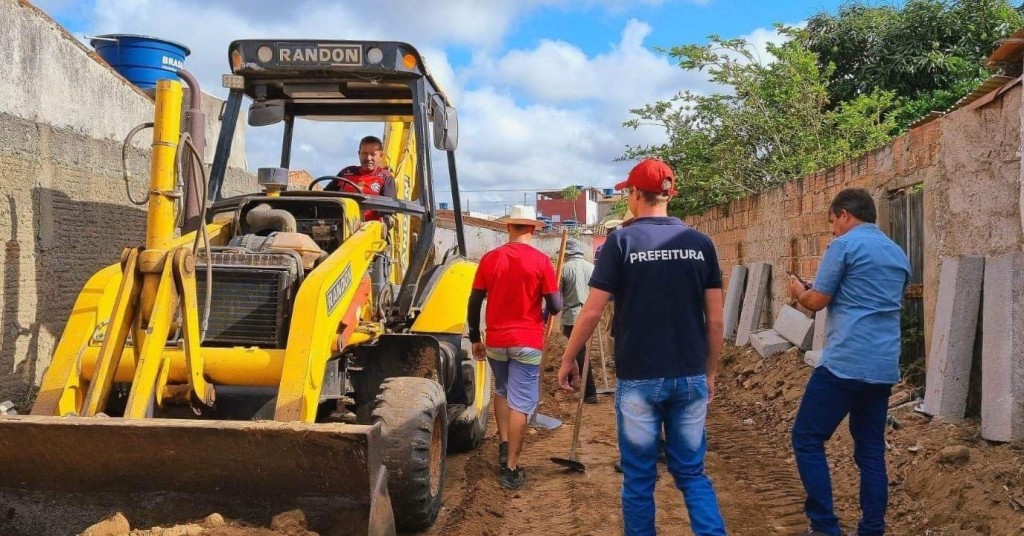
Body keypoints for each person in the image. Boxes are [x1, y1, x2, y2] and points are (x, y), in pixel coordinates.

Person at [557, 159, 727, 536]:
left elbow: (591, 312)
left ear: (635, 194)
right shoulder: (701, 244)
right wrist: (710, 371)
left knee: (638, 479)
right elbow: (715, 321)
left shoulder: (621, 242)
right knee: (692, 474)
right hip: (689, 376)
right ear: (670, 195)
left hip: (639, 380)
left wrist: (569, 358)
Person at [787, 188, 910, 536]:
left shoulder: (844, 246)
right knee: (870, 452)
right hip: (883, 366)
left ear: (845, 214)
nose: (832, 230)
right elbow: (874, 298)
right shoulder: (897, 252)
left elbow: (816, 302)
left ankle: (825, 526)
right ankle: (872, 529)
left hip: (845, 363)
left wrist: (798, 291)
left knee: (807, 438)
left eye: (832, 222)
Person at [467, 204, 562, 490]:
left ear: (509, 227)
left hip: (496, 340)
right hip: (527, 341)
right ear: (533, 229)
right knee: (520, 402)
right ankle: (510, 468)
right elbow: (556, 305)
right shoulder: (541, 261)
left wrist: (475, 337)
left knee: (502, 390)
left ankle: (503, 442)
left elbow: (474, 301)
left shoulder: (490, 259)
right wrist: (543, 312)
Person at [560, 238, 597, 404]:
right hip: (589, 315)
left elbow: (557, 297)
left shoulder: (564, 269)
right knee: (576, 351)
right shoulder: (591, 267)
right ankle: (570, 381)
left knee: (578, 353)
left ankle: (590, 392)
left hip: (572, 316)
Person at [327, 135, 396, 221]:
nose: (368, 158)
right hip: (340, 221)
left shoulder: (385, 177)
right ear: (359, 154)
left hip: (367, 226)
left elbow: (389, 209)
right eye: (364, 154)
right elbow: (326, 194)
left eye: (373, 154)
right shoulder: (346, 173)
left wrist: (385, 219)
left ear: (381, 156)